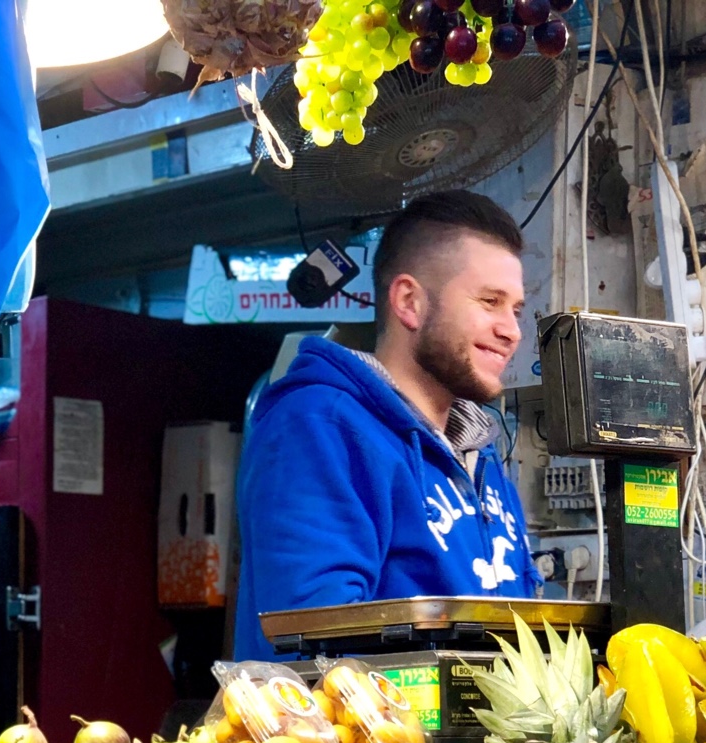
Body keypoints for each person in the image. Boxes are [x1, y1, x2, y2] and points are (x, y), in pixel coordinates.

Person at [231, 189, 540, 660]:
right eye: (489, 301)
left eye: (515, 309)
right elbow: (314, 644)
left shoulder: (481, 454)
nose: (512, 330)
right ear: (409, 302)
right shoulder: (320, 425)